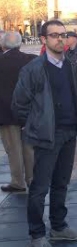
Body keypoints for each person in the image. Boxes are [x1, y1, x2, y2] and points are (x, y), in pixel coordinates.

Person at [12, 20, 77, 247]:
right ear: (43, 39)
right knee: (39, 187)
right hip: (47, 136)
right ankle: (36, 233)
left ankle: (58, 226)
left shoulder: (69, 66)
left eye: (63, 35)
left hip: (68, 132)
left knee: (61, 183)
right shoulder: (33, 68)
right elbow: (19, 104)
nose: (60, 39)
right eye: (54, 35)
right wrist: (35, 125)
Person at [0, 31, 36, 192]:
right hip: (30, 111)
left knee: (13, 148)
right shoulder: (32, 60)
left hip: (6, 112)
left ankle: (18, 181)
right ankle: (32, 178)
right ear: (20, 44)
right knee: (29, 147)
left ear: (3, 45)